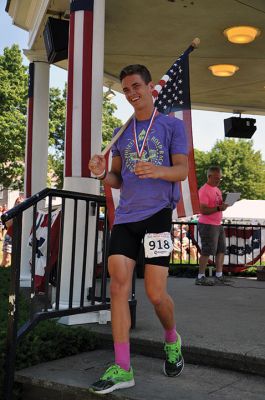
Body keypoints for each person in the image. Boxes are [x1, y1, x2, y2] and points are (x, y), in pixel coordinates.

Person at [88, 64, 188, 394]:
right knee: (118, 286)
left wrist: (157, 171)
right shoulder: (121, 132)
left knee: (155, 294)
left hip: (158, 214)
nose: (131, 93)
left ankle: (171, 339)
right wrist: (103, 174)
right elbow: (117, 178)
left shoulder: (170, 126)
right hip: (127, 217)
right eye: (126, 89)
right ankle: (122, 367)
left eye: (136, 86)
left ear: (149, 87)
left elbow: (181, 171)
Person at [195, 166, 229, 286]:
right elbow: (203, 209)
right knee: (207, 251)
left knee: (221, 250)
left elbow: (217, 206)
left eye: (220, 178)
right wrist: (219, 207)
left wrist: (223, 205)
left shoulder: (217, 190)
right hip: (207, 224)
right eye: (216, 178)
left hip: (217, 224)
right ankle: (200, 276)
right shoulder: (204, 190)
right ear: (209, 176)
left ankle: (219, 275)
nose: (218, 180)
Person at [1, 196, 24, 267]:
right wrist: (16, 211)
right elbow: (7, 224)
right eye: (18, 202)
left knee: (18, 259)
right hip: (10, 236)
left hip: (21, 237)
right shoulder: (11, 212)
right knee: (6, 259)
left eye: (21, 203)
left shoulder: (26, 212)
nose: (19, 204)